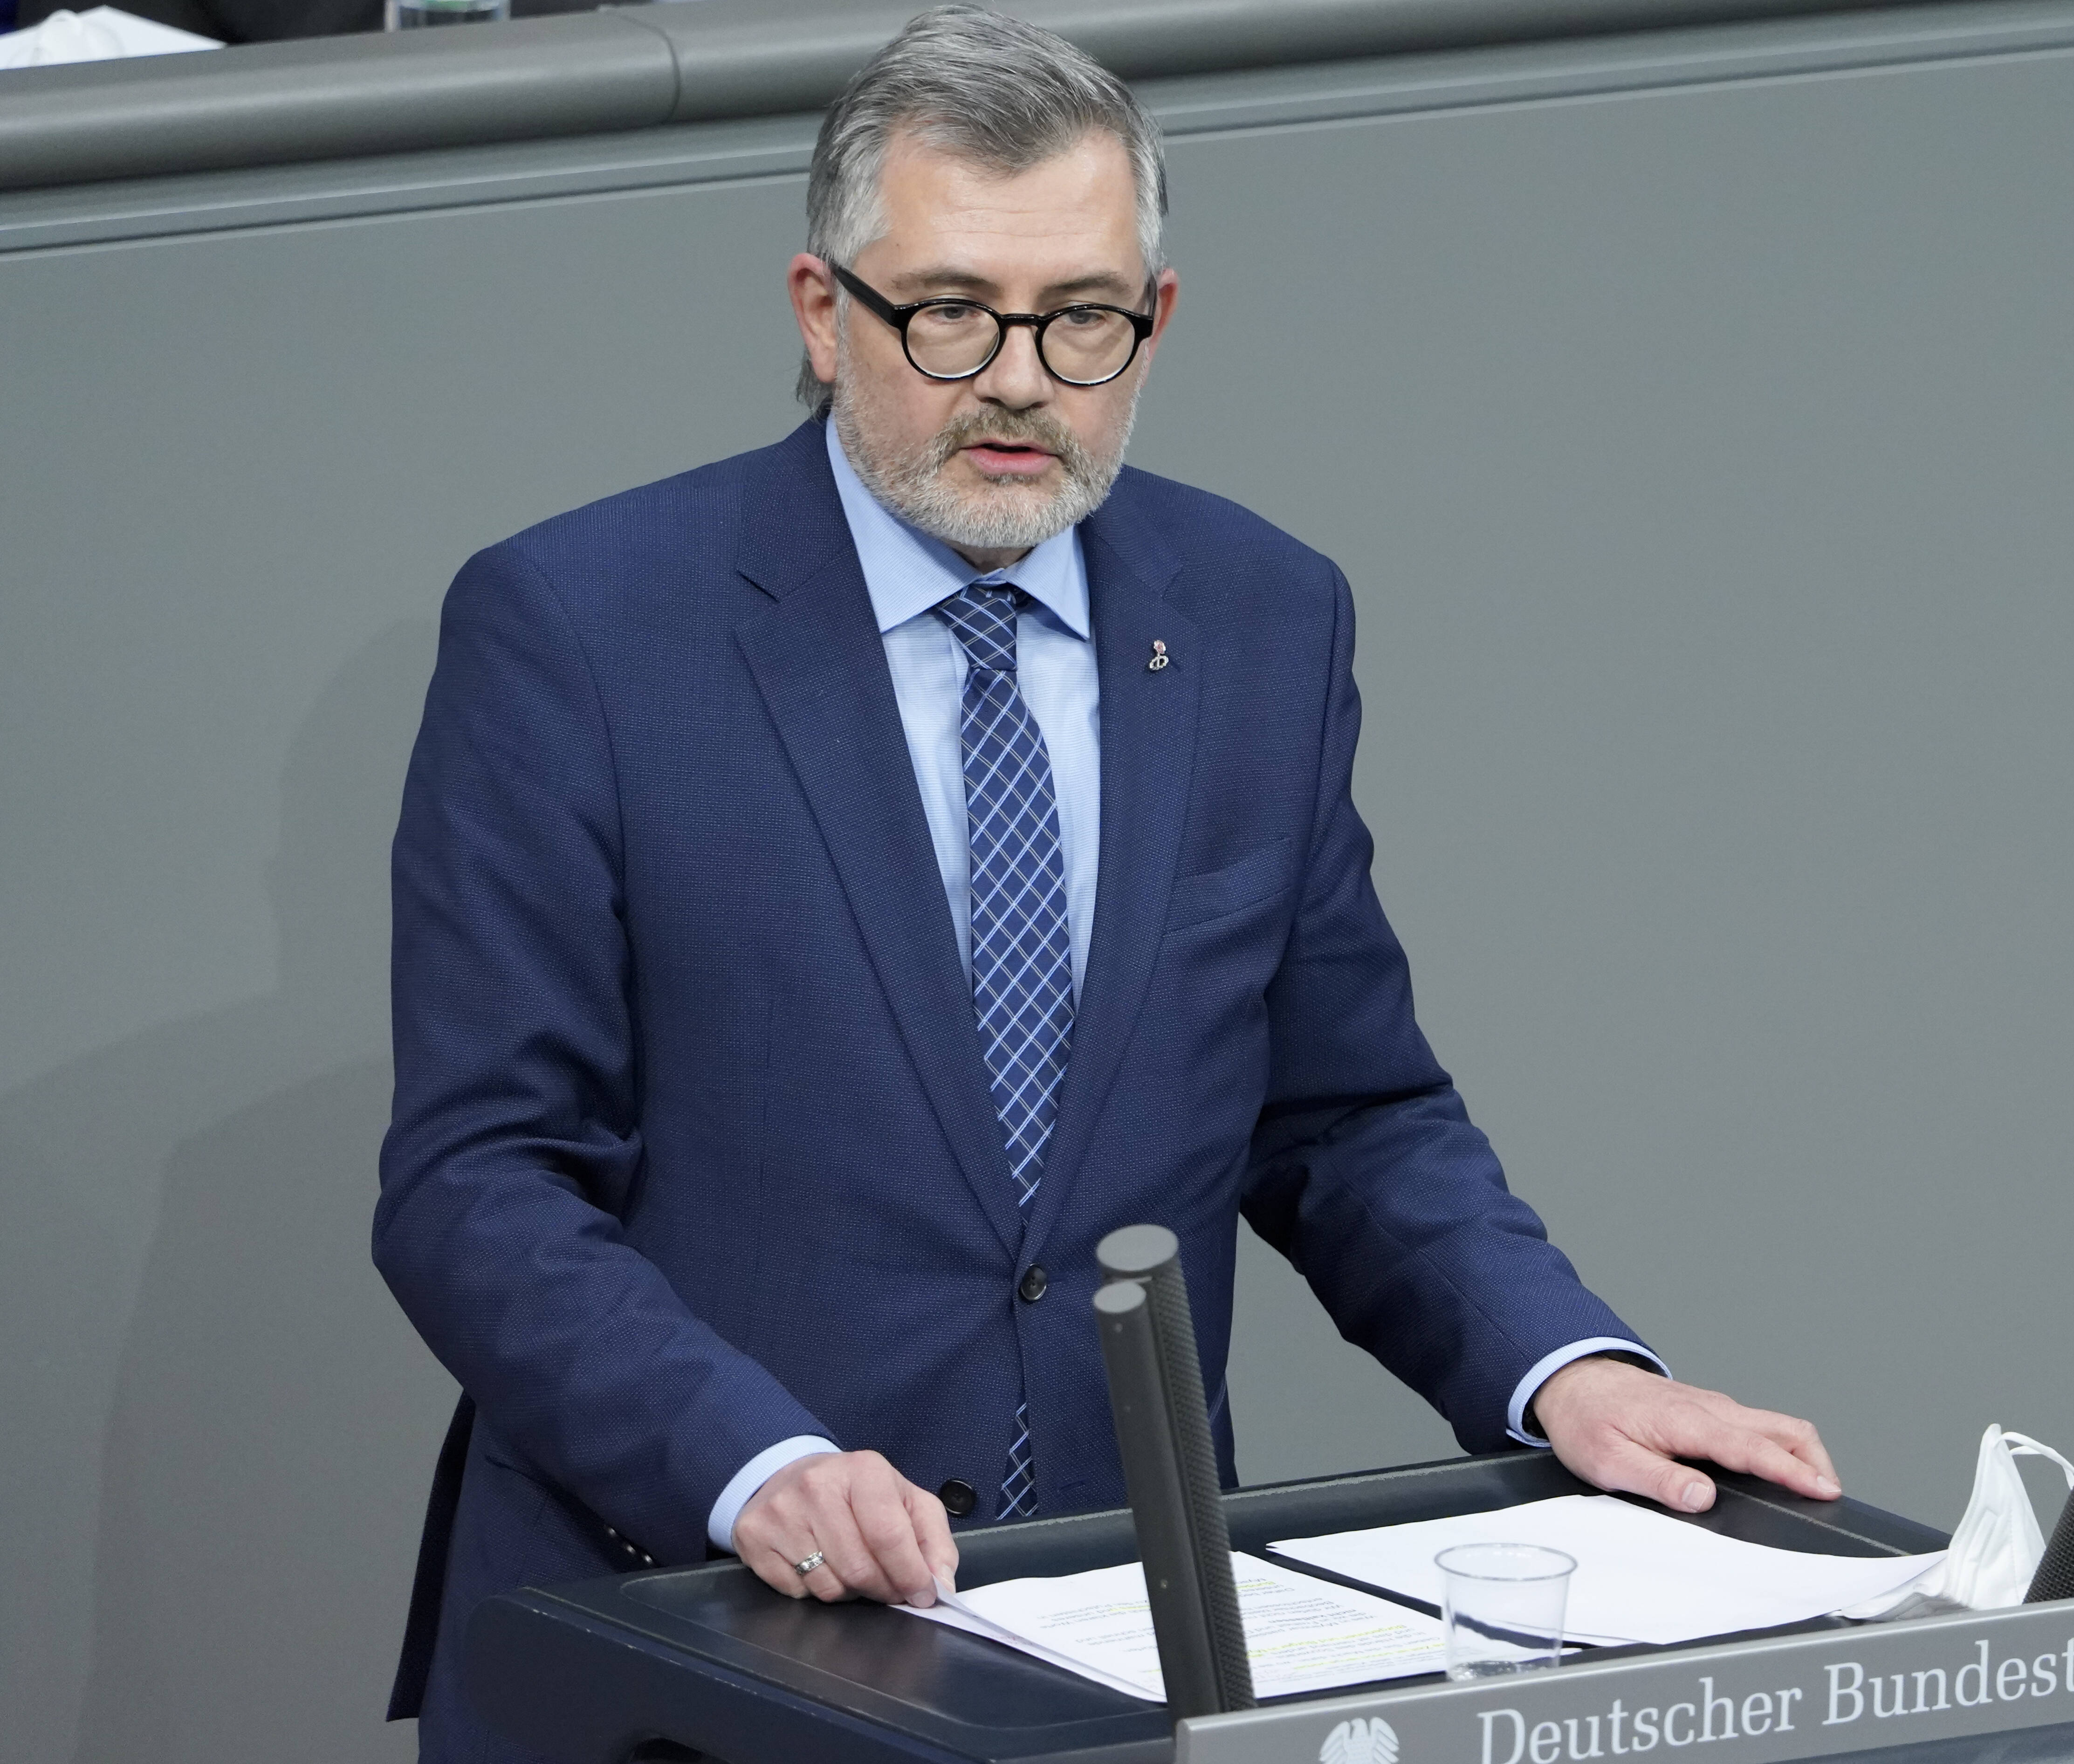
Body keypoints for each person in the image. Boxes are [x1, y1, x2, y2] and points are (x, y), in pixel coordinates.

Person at [373, 8, 1840, 1757]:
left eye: (1079, 319)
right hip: (680, 1635)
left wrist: (1566, 1370)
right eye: (948, 312)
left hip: (1117, 1646)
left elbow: (1347, 1111)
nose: (1015, 379)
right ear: (820, 311)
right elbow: (481, 1182)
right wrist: (750, 1461)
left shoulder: (1259, 616)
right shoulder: (584, 632)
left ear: (1153, 322)